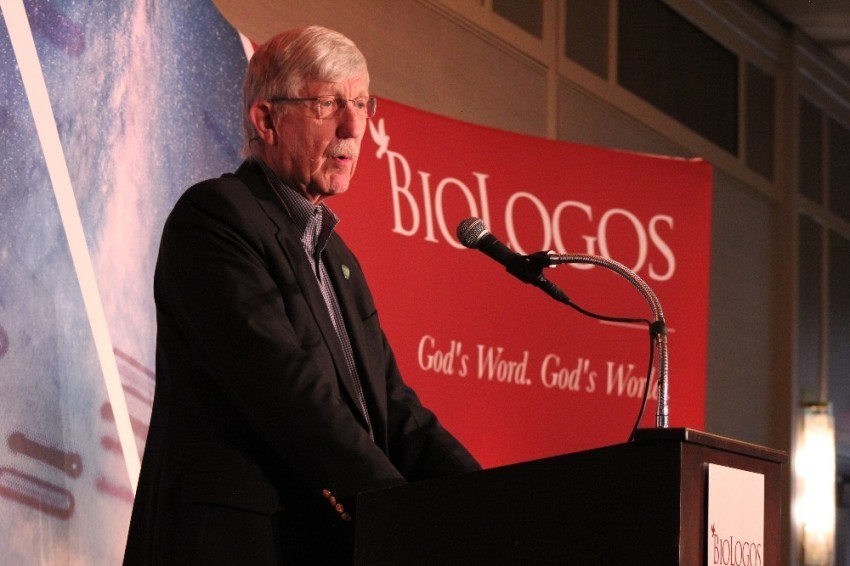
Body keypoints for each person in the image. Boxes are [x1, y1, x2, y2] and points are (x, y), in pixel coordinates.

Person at [123, 26, 480, 565]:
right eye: (328, 103)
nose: (355, 126)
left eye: (361, 103)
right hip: (233, 546)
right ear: (266, 120)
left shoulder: (341, 263)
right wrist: (401, 514)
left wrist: (489, 501)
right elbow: (286, 390)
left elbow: (396, 410)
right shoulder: (215, 218)